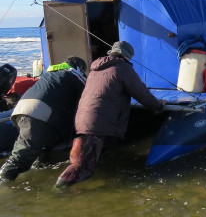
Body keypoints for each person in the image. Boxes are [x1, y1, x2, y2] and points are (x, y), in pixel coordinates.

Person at [56, 41, 165, 186]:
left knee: (85, 155)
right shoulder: (123, 68)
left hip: (82, 118)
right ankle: (60, 190)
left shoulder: (95, 70)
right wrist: (158, 105)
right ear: (127, 56)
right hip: (98, 122)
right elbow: (141, 93)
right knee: (81, 167)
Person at [0, 57, 87, 182]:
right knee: (21, 157)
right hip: (40, 114)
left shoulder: (51, 74)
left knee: (37, 148)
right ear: (80, 68)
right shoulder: (77, 76)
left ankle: (39, 168)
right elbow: (85, 103)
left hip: (20, 110)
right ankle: (4, 181)